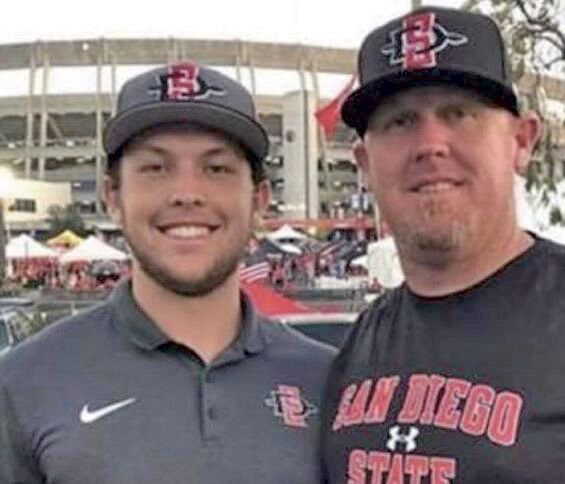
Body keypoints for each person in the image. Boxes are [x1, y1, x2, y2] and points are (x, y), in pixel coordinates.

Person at [321, 6, 565, 483]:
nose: (430, 143)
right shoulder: (361, 343)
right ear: (365, 163)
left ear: (522, 141)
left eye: (459, 114)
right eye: (399, 122)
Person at [0, 61, 335, 483]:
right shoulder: (24, 381)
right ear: (113, 196)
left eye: (216, 168)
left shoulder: (329, 380)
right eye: (156, 168)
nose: (187, 194)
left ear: (259, 199)